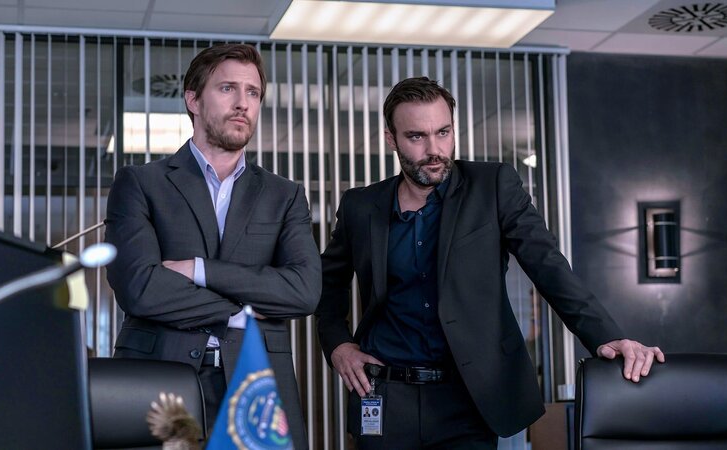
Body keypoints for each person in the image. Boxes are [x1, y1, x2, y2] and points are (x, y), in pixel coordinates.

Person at [316, 77, 664, 449]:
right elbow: (326, 284)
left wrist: (607, 337)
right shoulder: (360, 206)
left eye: (443, 132)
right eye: (417, 137)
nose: (434, 150)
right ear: (392, 139)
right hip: (385, 395)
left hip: (468, 398)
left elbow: (547, 264)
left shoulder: (492, 186)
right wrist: (338, 345)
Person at [105, 44, 320, 448]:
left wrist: (198, 270)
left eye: (253, 92)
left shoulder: (284, 195)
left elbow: (303, 291)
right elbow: (140, 287)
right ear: (193, 100)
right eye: (227, 88)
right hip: (159, 381)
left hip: (255, 383)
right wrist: (241, 310)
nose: (243, 103)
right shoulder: (141, 184)